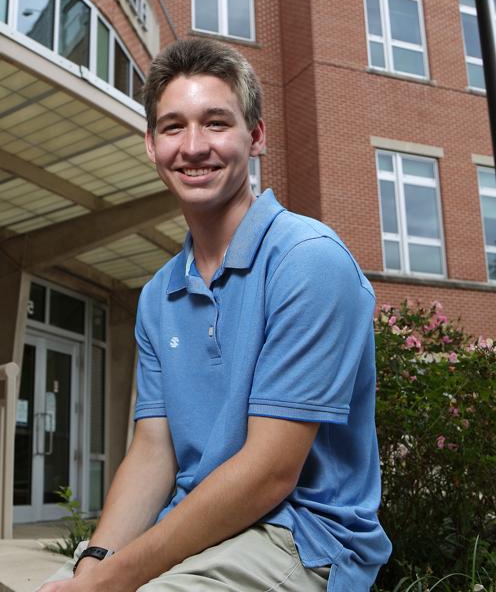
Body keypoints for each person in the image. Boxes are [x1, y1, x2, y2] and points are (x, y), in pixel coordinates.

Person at [38, 38, 390, 592]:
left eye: (216, 123)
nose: (194, 146)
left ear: (256, 137)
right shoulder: (159, 294)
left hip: (297, 538)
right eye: (174, 127)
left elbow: (269, 474)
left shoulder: (307, 261)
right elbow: (155, 452)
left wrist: (109, 584)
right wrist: (93, 563)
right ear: (151, 146)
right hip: (193, 526)